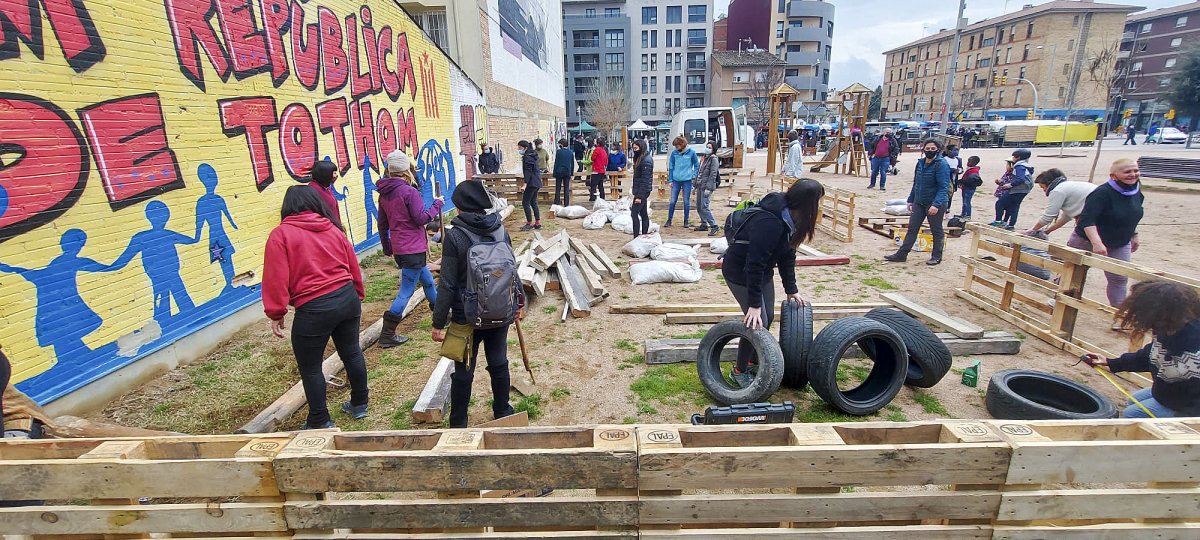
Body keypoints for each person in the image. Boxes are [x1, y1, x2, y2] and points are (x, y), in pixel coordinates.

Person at [263, 186, 368, 429]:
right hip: (346, 297)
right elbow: (352, 262)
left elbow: (275, 276)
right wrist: (358, 293)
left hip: (314, 307)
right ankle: (360, 404)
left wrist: (276, 312)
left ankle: (320, 419)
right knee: (351, 351)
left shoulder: (281, 235)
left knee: (310, 367)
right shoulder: (333, 228)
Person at [431, 180, 523, 428]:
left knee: (463, 370)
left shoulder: (456, 236)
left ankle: (459, 422)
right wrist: (519, 303)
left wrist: (438, 322)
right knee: (499, 361)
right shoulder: (500, 229)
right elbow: (512, 269)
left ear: (460, 207)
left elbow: (448, 284)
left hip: (466, 316)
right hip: (500, 311)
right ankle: (502, 410)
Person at [723, 179, 823, 387]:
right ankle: (740, 371)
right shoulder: (770, 222)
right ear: (808, 203)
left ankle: (753, 360)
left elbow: (787, 256)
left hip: (762, 272)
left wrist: (791, 289)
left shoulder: (791, 218)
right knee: (756, 322)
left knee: (766, 319)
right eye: (817, 202)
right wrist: (753, 305)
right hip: (741, 272)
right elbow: (754, 263)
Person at [1081, 280, 1200, 418]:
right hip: (1171, 391)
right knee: (1134, 400)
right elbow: (1151, 354)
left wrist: (1180, 423)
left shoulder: (1194, 351)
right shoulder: (1167, 330)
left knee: (1131, 415)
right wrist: (1111, 362)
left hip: (1189, 406)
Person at [376, 150, 442, 348]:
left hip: (402, 247)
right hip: (412, 247)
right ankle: (387, 334)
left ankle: (441, 314)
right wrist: (437, 205)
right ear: (406, 169)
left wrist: (388, 247)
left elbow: (382, 224)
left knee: (428, 281)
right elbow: (421, 218)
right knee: (405, 292)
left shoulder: (384, 194)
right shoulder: (409, 192)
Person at [1069, 158, 1145, 308]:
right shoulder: (1101, 193)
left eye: (1135, 171)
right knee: (1074, 273)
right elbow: (1086, 220)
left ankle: (1119, 315)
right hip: (1087, 240)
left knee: (1119, 278)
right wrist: (1097, 243)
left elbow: (1131, 214)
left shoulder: (1135, 190)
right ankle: (1059, 300)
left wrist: (1133, 234)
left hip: (1120, 242)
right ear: (1113, 176)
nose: (1133, 174)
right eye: (1127, 171)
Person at [884, 139, 950, 266]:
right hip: (919, 201)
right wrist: (910, 199)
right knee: (912, 228)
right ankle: (901, 254)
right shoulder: (920, 163)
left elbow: (944, 187)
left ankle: (936, 256)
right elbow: (916, 183)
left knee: (936, 230)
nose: (929, 151)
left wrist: (936, 204)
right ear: (923, 149)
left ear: (938, 149)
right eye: (927, 148)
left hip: (935, 203)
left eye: (933, 149)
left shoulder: (941, 164)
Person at [1024, 169, 1096, 238]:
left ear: (1048, 183)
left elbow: (1048, 216)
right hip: (1099, 213)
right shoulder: (1068, 186)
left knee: (1077, 243)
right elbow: (1067, 217)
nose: (1044, 190)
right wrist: (1047, 231)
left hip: (1093, 217)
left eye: (1043, 187)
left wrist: (1032, 230)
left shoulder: (1058, 190)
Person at [992, 149, 1033, 230]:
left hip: (1018, 189)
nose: (1013, 158)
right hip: (1025, 189)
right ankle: (1011, 225)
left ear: (1018, 158)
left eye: (1014, 157)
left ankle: (998, 221)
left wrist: (1009, 185)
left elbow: (1020, 179)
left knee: (1000, 203)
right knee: (1015, 206)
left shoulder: (1019, 166)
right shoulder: (1026, 165)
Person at [665, 135, 699, 228]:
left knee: (686, 201)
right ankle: (669, 220)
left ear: (682, 144)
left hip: (687, 180)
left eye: (677, 146)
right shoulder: (674, 153)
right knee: (672, 201)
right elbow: (671, 167)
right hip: (676, 180)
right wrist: (670, 179)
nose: (676, 148)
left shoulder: (691, 152)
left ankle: (686, 221)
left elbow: (696, 164)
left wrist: (694, 175)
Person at [694, 141, 721, 235]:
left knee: (704, 207)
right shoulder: (704, 158)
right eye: (707, 147)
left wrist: (709, 188)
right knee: (699, 206)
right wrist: (695, 185)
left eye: (710, 147)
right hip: (700, 185)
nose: (707, 149)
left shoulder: (713, 159)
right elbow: (699, 172)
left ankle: (714, 226)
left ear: (713, 149)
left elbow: (713, 174)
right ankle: (704, 223)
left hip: (707, 186)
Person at [517, 140, 543, 231]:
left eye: (520, 148)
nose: (519, 150)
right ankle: (537, 222)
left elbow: (528, 171)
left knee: (525, 202)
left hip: (531, 183)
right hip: (537, 182)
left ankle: (529, 223)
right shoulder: (533, 155)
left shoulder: (527, 157)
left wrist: (525, 184)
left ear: (525, 148)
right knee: (533, 202)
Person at [630, 139, 654, 236]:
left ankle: (637, 236)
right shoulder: (642, 159)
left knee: (634, 213)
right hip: (640, 190)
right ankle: (643, 234)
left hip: (642, 191)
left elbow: (645, 179)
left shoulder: (645, 161)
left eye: (636, 148)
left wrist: (639, 196)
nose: (634, 150)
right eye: (633, 148)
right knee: (643, 213)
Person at [956, 156, 983, 220]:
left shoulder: (974, 171)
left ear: (974, 163)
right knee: (964, 202)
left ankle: (968, 215)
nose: (968, 162)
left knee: (967, 202)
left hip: (969, 188)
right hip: (965, 188)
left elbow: (970, 180)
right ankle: (963, 214)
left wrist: (960, 181)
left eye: (969, 161)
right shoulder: (970, 169)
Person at [552, 138, 575, 206]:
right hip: (567, 172)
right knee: (566, 189)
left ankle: (557, 202)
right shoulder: (570, 152)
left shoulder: (559, 152)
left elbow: (556, 163)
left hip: (559, 171)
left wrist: (554, 173)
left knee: (558, 188)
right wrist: (571, 173)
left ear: (561, 145)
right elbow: (572, 163)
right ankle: (566, 204)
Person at [943, 145, 963, 214]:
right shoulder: (944, 159)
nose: (956, 152)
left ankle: (948, 208)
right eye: (954, 150)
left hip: (954, 180)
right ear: (948, 151)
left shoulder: (958, 159)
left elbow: (961, 168)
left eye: (957, 150)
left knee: (951, 194)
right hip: (946, 180)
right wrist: (952, 170)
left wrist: (959, 171)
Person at [588, 137, 609, 201]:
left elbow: (592, 158)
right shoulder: (604, 150)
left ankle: (593, 197)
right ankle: (602, 197)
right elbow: (606, 161)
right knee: (600, 185)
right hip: (602, 170)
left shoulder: (597, 150)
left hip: (596, 169)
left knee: (593, 185)